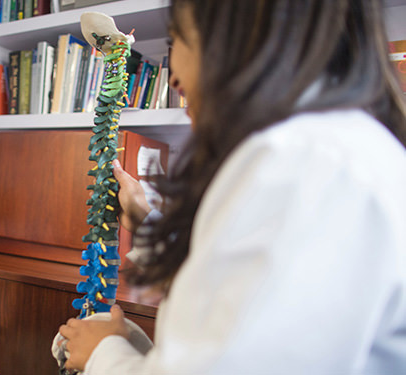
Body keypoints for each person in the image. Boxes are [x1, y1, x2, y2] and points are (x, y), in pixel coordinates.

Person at [59, 0, 406, 373]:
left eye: (180, 41)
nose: (174, 79)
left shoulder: (300, 165)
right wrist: (146, 222)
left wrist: (105, 355)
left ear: (235, 40)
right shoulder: (330, 150)